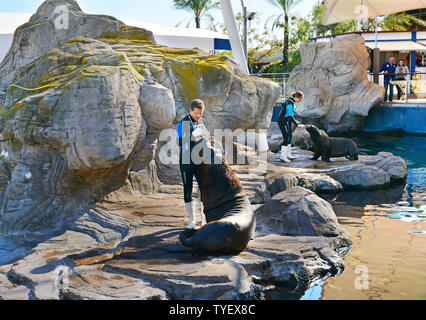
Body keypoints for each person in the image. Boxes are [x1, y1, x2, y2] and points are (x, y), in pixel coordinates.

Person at [176, 99, 208, 229]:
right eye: (196, 113)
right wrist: (191, 135)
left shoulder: (201, 122)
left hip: (199, 160)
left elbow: (205, 138)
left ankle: (205, 219)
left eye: (200, 113)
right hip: (186, 161)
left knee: (204, 189)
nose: (198, 116)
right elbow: (179, 142)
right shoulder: (182, 123)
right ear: (190, 110)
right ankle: (192, 220)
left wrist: (208, 139)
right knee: (188, 189)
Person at [277, 91, 303, 163]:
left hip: (286, 121)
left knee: (290, 136)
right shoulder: (290, 104)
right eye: (300, 99)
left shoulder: (290, 101)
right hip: (283, 121)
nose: (300, 100)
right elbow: (290, 116)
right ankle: (283, 157)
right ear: (296, 97)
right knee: (286, 138)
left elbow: (283, 103)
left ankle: (288, 154)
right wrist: (297, 123)